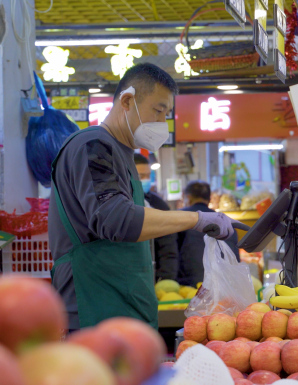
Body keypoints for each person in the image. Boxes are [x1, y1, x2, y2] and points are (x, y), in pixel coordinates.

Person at [48, 63, 246, 331]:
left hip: (120, 307)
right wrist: (195, 219)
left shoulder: (121, 152)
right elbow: (118, 220)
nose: (162, 122)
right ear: (127, 101)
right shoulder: (93, 146)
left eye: (167, 113)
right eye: (158, 110)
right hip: (94, 307)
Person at [177, 181, 241, 287]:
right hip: (224, 285)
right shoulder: (226, 221)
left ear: (188, 197)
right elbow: (235, 259)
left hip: (190, 286)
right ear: (209, 199)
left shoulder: (181, 218)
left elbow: (171, 255)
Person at [133, 154, 179, 282]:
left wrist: (165, 279)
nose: (146, 180)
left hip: (153, 277)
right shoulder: (117, 204)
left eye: (148, 176)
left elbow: (168, 248)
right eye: (141, 177)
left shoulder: (158, 205)